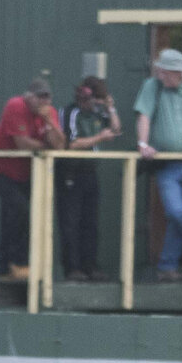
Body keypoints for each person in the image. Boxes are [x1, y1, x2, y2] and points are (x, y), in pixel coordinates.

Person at [133, 49, 182, 283]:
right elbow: (144, 115)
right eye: (159, 71)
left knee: (181, 217)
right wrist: (143, 144)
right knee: (176, 212)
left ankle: (167, 267)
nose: (161, 76)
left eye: (165, 72)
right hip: (165, 163)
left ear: (178, 72)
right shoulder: (152, 86)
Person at [0, 76, 65, 282]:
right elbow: (22, 143)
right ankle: (18, 263)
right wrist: (46, 147)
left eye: (47, 98)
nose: (43, 103)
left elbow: (60, 145)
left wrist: (50, 123)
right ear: (29, 97)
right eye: (39, 98)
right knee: (20, 210)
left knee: (13, 214)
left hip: (24, 170)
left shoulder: (49, 113)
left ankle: (6, 267)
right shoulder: (16, 105)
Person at [57, 76, 117, 282]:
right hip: (71, 172)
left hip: (90, 171)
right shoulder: (70, 113)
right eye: (96, 101)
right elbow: (71, 144)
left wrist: (111, 109)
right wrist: (99, 138)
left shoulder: (97, 112)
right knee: (71, 222)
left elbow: (116, 129)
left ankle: (90, 266)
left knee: (90, 222)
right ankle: (72, 267)